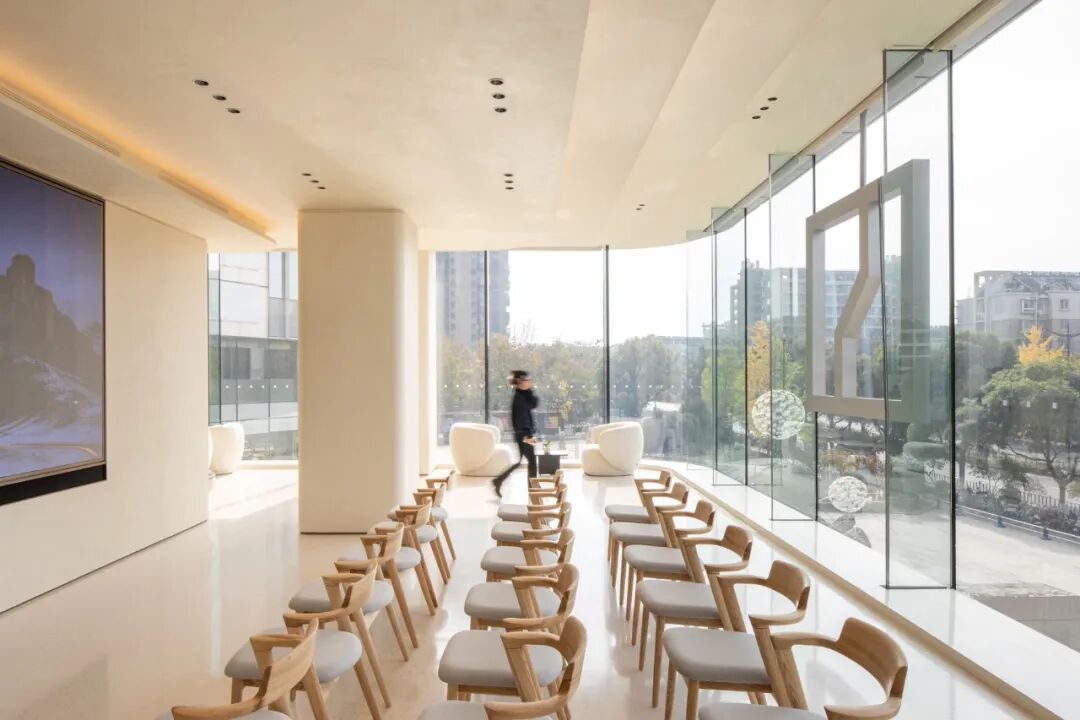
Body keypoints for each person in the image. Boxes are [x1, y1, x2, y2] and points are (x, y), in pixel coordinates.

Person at [491, 370, 539, 497]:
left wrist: (529, 390)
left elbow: (534, 403)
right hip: (524, 434)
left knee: (523, 461)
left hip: (523, 433)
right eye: (526, 380)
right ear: (520, 382)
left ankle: (498, 480)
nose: (529, 382)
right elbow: (522, 419)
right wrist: (528, 436)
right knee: (531, 461)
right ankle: (533, 489)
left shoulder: (522, 394)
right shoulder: (519, 398)